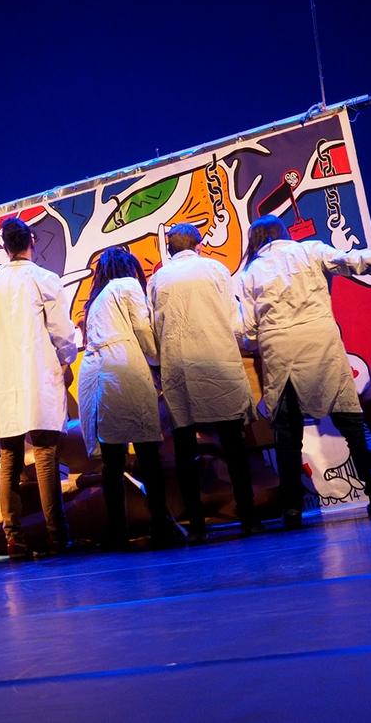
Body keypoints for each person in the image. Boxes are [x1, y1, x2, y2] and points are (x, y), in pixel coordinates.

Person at [239, 215, 371, 528]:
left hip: (280, 351)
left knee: (287, 434)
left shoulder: (250, 273)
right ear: (283, 233)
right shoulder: (309, 250)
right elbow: (350, 261)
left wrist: (254, 340)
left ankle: (292, 509)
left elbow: (247, 330)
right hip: (321, 343)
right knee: (352, 423)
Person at [149, 223, 261, 540]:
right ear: (198, 245)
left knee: (185, 451)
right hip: (218, 363)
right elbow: (233, 318)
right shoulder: (215, 269)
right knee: (234, 446)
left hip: (180, 369)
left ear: (170, 249)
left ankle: (196, 524)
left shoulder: (158, 279)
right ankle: (248, 516)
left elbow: (156, 327)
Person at [0, 217, 78, 558]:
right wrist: (66, 360)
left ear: (5, 247)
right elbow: (62, 331)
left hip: (1, 379)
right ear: (31, 241)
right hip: (36, 375)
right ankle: (57, 536)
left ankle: (14, 539)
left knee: (9, 457)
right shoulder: (44, 279)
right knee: (45, 454)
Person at [78, 247, 179, 550]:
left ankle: (117, 531)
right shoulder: (127, 286)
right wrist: (159, 359)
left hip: (97, 374)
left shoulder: (97, 299)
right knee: (147, 450)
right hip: (124, 367)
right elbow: (143, 331)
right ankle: (161, 524)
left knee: (112, 459)